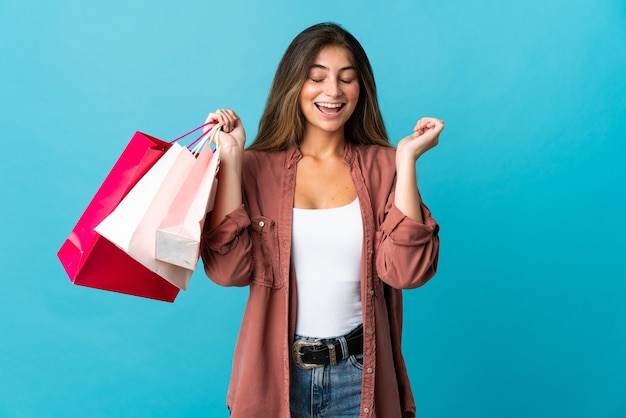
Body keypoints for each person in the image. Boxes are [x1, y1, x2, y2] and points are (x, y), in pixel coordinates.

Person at [200, 22, 442, 418]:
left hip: (361, 377)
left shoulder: (384, 167)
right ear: (293, 85)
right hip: (275, 380)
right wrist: (231, 156)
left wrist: (406, 161)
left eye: (347, 79)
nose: (333, 91)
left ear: (360, 89)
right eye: (317, 78)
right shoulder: (255, 168)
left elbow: (407, 273)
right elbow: (228, 271)